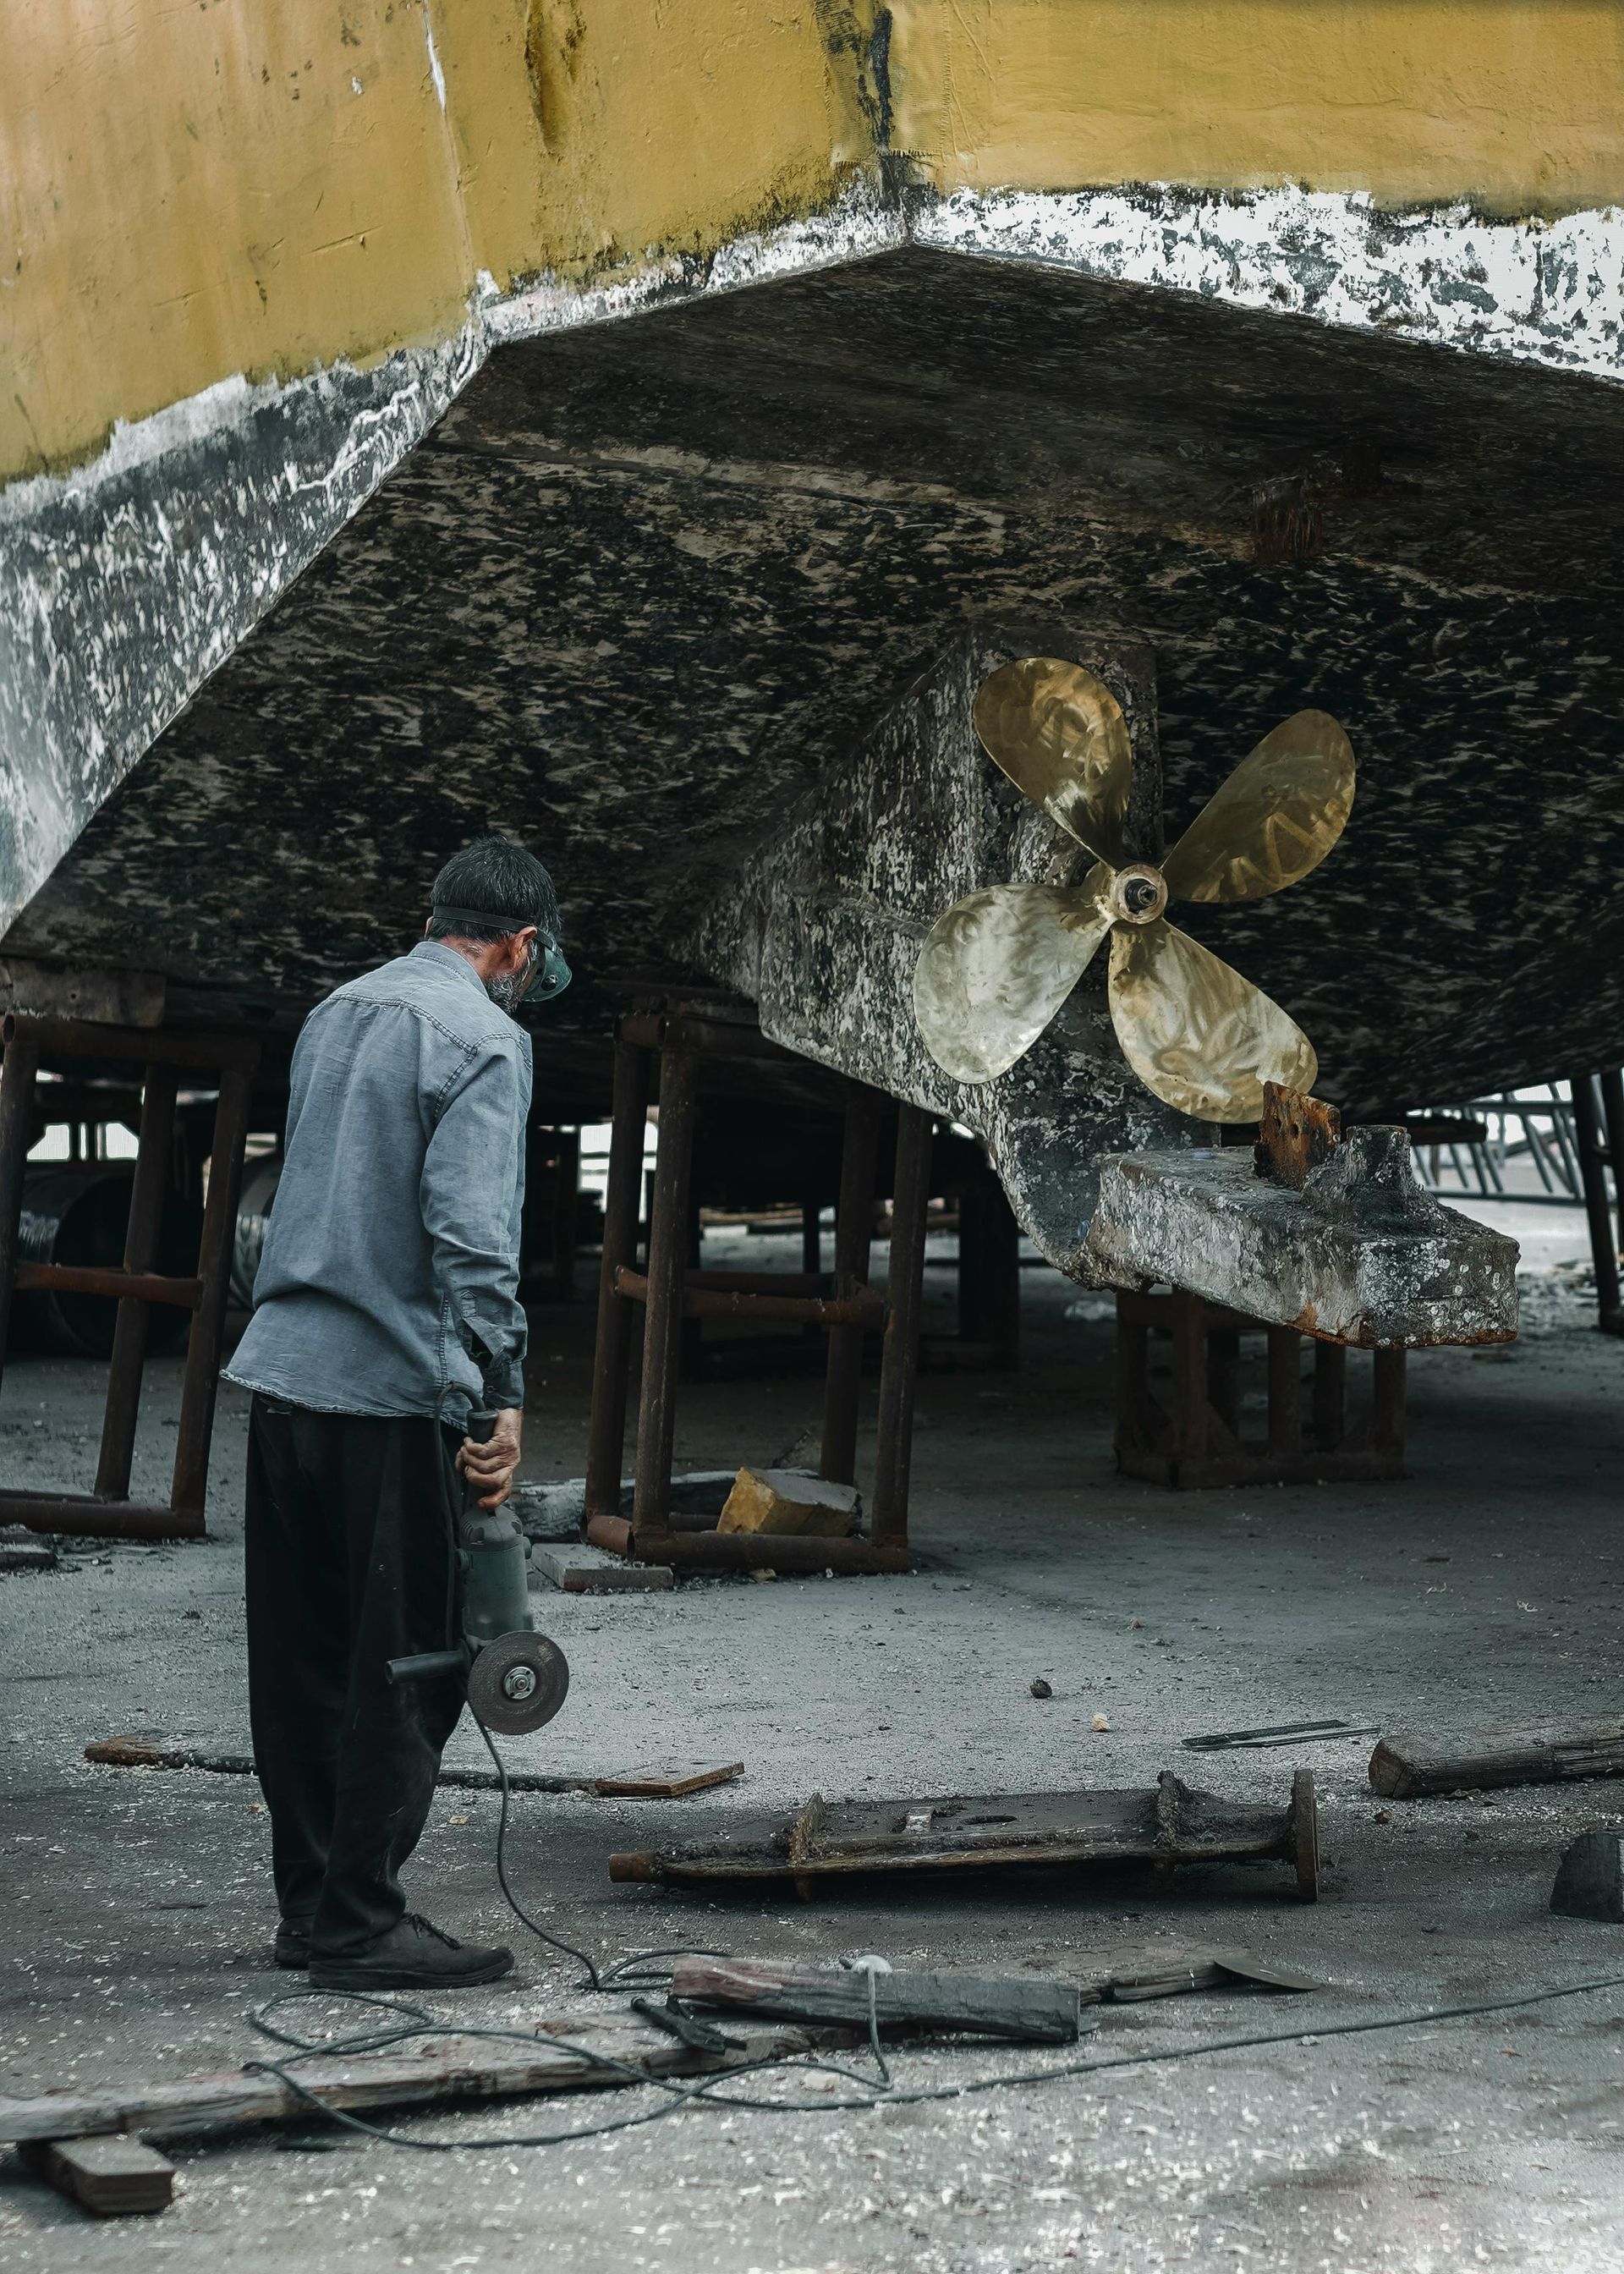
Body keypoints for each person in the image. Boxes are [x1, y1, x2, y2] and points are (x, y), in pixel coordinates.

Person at [225, 835, 569, 1991]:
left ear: (437, 917)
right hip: (389, 1393)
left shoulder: (336, 1011)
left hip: (281, 1381)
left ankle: (311, 1905)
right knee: (414, 1660)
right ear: (519, 947)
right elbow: (473, 1238)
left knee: (304, 1660)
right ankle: (361, 1921)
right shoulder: (486, 1038)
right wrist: (504, 1394)